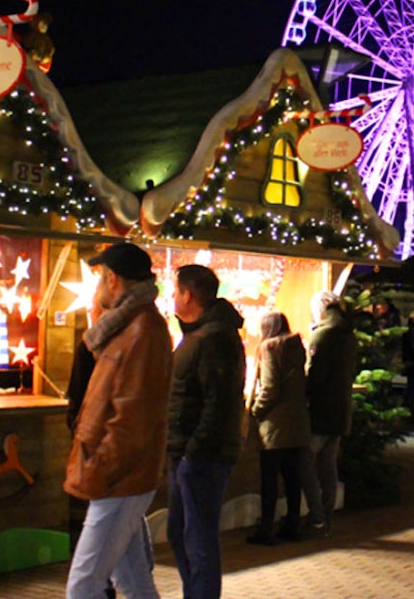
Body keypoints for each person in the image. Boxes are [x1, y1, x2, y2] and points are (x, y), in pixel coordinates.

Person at [65, 243, 173, 599]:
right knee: (133, 581)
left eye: (99, 277)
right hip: (120, 475)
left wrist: (100, 466)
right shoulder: (130, 327)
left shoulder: (142, 330)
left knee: (84, 585)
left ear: (112, 279)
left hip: (119, 477)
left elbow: (132, 417)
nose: (96, 286)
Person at [166, 264, 246, 599]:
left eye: (174, 290)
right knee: (181, 533)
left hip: (200, 457)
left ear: (188, 294)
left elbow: (220, 401)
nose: (172, 297)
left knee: (197, 538)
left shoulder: (213, 337)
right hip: (187, 453)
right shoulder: (200, 333)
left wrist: (193, 452)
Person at [246, 312, 311, 545]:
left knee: (269, 479)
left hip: (275, 425)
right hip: (296, 422)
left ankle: (266, 527)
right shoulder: (295, 347)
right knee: (292, 477)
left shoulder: (270, 348)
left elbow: (270, 388)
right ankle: (293, 523)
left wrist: (255, 410)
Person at [305, 290, 358, 533]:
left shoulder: (322, 336)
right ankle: (326, 516)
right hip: (339, 409)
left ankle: (315, 516)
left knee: (306, 464)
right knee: (328, 465)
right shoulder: (347, 335)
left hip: (320, 410)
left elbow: (314, 376)